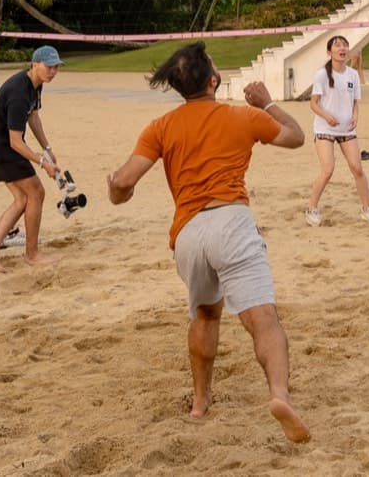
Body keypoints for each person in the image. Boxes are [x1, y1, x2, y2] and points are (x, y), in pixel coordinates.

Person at [106, 43, 310, 442]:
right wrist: (268, 103)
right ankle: (280, 395)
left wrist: (114, 190)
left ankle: (200, 403)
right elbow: (295, 136)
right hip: (230, 220)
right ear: (213, 81)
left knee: (205, 316)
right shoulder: (241, 116)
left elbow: (123, 183)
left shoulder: (161, 126)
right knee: (262, 317)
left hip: (187, 234)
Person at [0, 45, 66, 272]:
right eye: (49, 66)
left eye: (56, 67)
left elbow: (33, 117)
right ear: (35, 64)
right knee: (36, 193)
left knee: (22, 200)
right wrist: (42, 162)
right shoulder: (18, 92)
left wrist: (47, 147)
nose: (53, 71)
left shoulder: (35, 86)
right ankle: (32, 254)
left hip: (2, 149)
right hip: (5, 151)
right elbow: (15, 141)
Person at [304, 35, 369, 226]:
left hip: (346, 129)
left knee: (357, 168)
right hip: (325, 128)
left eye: (345, 45)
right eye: (337, 45)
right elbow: (313, 103)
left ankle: (366, 209)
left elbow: (355, 103)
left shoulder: (352, 74)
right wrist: (326, 116)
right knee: (328, 170)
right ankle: (311, 208)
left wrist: (355, 116)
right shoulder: (322, 74)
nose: (342, 48)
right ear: (330, 52)